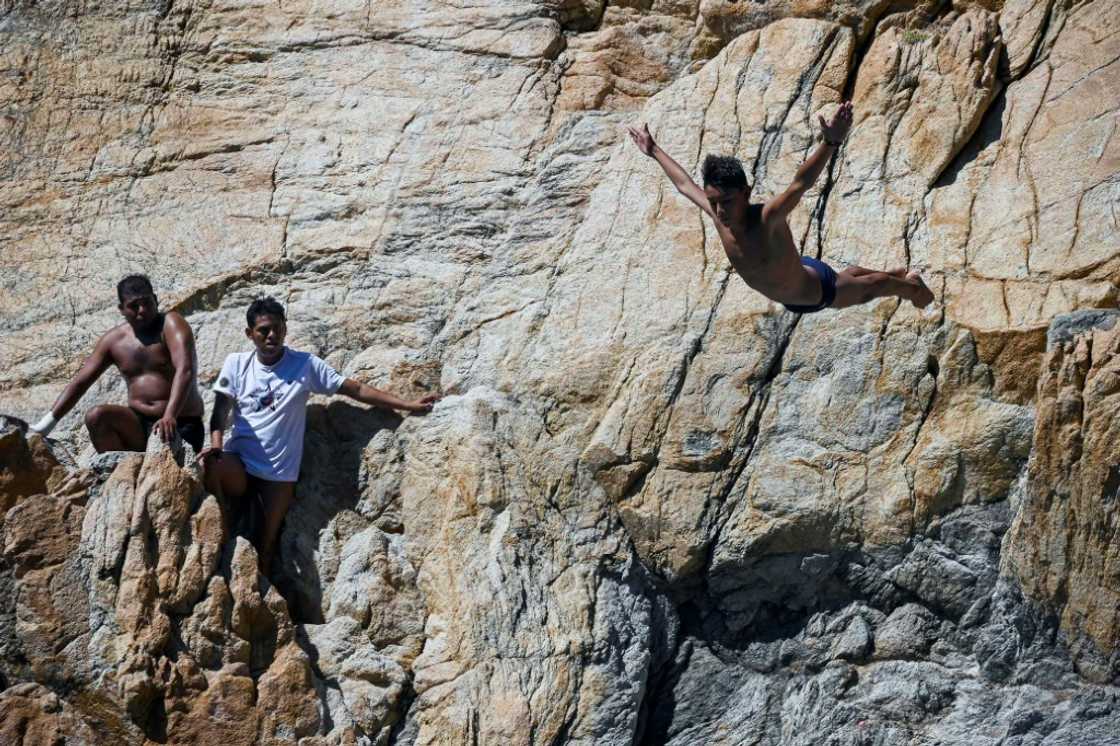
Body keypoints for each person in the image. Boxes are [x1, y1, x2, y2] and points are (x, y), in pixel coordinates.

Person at [198, 296, 441, 578]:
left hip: (279, 474)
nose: (272, 335)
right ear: (250, 334)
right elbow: (220, 410)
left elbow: (355, 389)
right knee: (209, 465)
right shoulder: (236, 363)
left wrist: (407, 404)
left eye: (277, 328)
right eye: (264, 330)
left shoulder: (305, 365)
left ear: (285, 329)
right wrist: (216, 445)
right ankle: (222, 530)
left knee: (266, 546)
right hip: (240, 460)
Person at [627, 101, 934, 313]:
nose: (719, 211)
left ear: (746, 193)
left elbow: (801, 184)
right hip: (795, 275)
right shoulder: (717, 214)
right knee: (852, 275)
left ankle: (916, 291)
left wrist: (830, 143)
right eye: (714, 202)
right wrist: (653, 150)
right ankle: (897, 274)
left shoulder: (767, 217)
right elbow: (684, 184)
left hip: (814, 291)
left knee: (872, 286)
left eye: (727, 202)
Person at [27, 275, 206, 452]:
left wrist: (170, 415)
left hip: (179, 423)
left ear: (156, 300)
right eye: (134, 306)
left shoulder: (171, 323)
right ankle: (120, 474)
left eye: (147, 303)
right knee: (97, 416)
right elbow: (80, 382)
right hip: (139, 425)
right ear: (121, 309)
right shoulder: (114, 341)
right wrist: (46, 425)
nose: (142, 310)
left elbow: (185, 369)